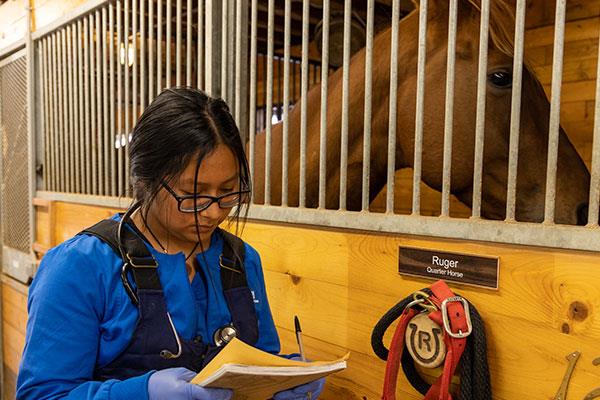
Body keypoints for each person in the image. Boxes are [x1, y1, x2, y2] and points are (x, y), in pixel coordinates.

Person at [16, 88, 325, 400]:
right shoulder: (81, 267)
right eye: (193, 195)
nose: (214, 211)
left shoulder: (242, 261)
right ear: (145, 180)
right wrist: (142, 393)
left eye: (228, 191)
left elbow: (259, 362)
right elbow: (42, 395)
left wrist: (283, 380)